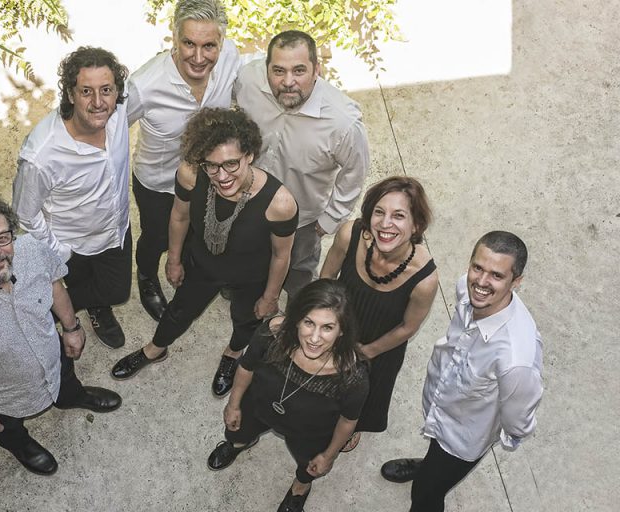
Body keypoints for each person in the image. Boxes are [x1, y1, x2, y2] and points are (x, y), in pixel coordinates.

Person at [0, 193, 121, 475]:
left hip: (53, 355)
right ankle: (20, 444)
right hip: (3, 396)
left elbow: (54, 284)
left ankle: (71, 396)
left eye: (3, 238)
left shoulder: (32, 249)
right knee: (8, 428)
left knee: (66, 378)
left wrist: (72, 327)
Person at [111, 107, 298, 397]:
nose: (222, 176)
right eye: (211, 165)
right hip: (201, 263)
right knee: (178, 311)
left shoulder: (280, 203)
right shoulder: (190, 173)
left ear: (249, 155)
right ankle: (154, 349)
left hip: (251, 277)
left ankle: (232, 355)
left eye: (231, 164)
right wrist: (174, 260)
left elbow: (281, 255)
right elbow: (179, 216)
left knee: (245, 321)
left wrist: (270, 297)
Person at [380, 231, 543, 512]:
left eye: (497, 275)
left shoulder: (515, 360)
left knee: (425, 495)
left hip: (462, 438)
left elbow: (518, 422)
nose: (481, 282)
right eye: (477, 267)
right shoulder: (466, 289)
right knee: (434, 458)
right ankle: (429, 465)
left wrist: (500, 435)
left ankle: (431, 475)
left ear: (516, 282)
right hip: (440, 405)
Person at [206, 279, 369, 512]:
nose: (314, 338)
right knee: (238, 431)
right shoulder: (272, 335)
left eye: (327, 327)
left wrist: (329, 456)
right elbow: (246, 367)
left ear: (341, 330)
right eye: (309, 323)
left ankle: (300, 488)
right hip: (258, 406)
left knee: (308, 465)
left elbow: (347, 421)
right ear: (297, 319)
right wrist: (233, 404)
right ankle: (240, 443)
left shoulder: (352, 377)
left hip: (310, 430)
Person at [126, 0, 241, 321]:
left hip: (208, 178)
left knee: (199, 232)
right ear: (174, 38)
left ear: (221, 42)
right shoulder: (144, 86)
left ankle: (191, 268)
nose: (199, 57)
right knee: (157, 236)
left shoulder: (231, 57)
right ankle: (147, 276)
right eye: (189, 44)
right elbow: (111, 131)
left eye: (209, 46)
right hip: (158, 183)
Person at [235, 30, 370, 300]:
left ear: (316, 69)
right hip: (246, 201)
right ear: (266, 67)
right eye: (278, 71)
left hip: (302, 221)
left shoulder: (342, 122)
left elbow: (354, 174)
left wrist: (328, 220)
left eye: (299, 71)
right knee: (244, 259)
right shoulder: (248, 80)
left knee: (298, 274)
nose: (288, 82)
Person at [12, 47, 131, 348]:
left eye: (106, 90)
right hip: (73, 244)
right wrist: (58, 249)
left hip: (116, 229)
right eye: (86, 91)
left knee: (118, 291)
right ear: (70, 94)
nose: (98, 102)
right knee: (82, 284)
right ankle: (54, 311)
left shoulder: (118, 114)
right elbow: (25, 212)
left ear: (117, 92)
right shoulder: (42, 154)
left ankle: (76, 303)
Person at [320, 176, 438, 451]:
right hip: (337, 328)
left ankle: (351, 427)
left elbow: (408, 327)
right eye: (379, 212)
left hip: (381, 346)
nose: (385, 224)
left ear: (416, 225)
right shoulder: (349, 235)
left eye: (399, 216)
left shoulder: (424, 280)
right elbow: (325, 278)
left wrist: (368, 352)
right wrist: (326, 325)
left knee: (363, 397)